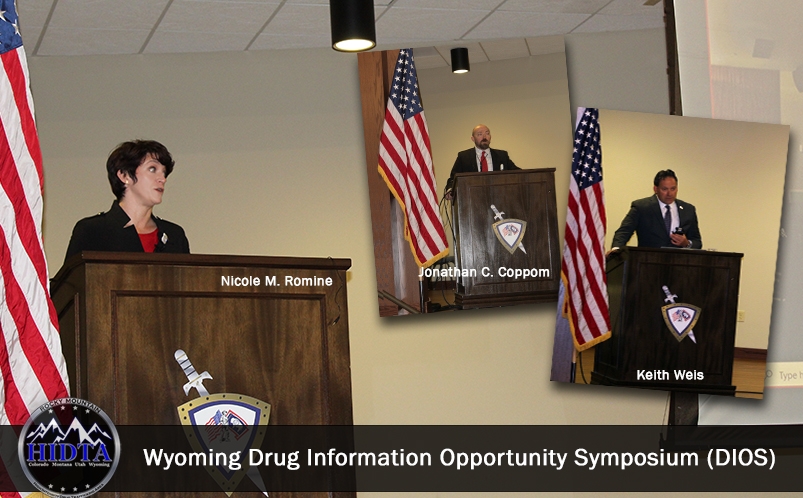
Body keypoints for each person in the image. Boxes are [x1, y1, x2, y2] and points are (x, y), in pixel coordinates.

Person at [64, 140, 190, 262]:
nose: (162, 179)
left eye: (164, 172)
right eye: (152, 169)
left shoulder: (174, 235)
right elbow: (72, 282)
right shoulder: (92, 231)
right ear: (125, 175)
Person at [609, 169, 701, 253]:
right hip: (648, 261)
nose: (669, 193)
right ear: (655, 189)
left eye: (673, 189)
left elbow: (697, 241)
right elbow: (624, 232)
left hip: (679, 263)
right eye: (664, 189)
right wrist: (616, 250)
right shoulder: (642, 207)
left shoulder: (688, 210)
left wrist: (686, 243)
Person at [444, 124, 520, 198]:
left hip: (499, 198)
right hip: (473, 199)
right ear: (473, 139)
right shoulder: (464, 156)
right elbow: (453, 178)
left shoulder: (501, 155)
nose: (484, 137)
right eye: (480, 134)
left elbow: (516, 173)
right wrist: (450, 190)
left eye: (487, 133)